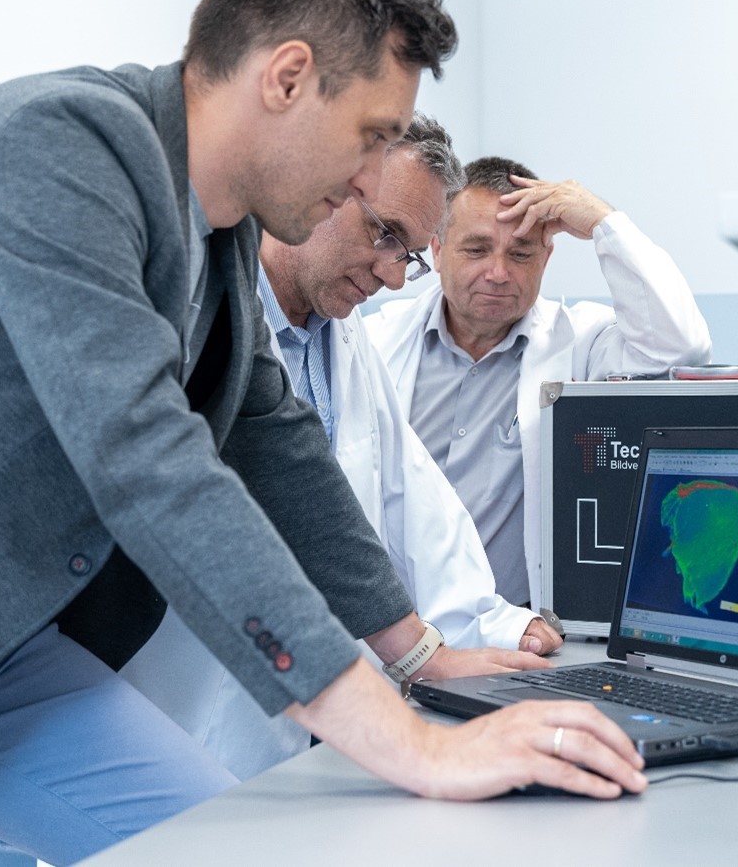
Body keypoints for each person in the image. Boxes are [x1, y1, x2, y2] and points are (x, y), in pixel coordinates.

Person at [0, 0, 646, 864]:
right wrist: (413, 743)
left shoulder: (216, 234)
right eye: (372, 135)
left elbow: (274, 441)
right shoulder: (61, 146)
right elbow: (147, 460)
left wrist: (419, 654)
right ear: (287, 78)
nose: (371, 174)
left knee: (214, 842)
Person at [122, 114, 562, 780]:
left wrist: (483, 624)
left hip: (306, 709)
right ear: (322, 188)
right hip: (168, 685)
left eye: (408, 254)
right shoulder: (191, 311)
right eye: (384, 233)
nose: (393, 276)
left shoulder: (345, 342)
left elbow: (411, 504)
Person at [367, 156, 713, 610]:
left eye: (520, 254)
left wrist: (603, 222)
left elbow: (680, 347)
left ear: (545, 258)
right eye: (476, 250)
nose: (498, 273)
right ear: (436, 248)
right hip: (387, 626)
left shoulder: (579, 345)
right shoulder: (376, 340)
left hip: (510, 630)